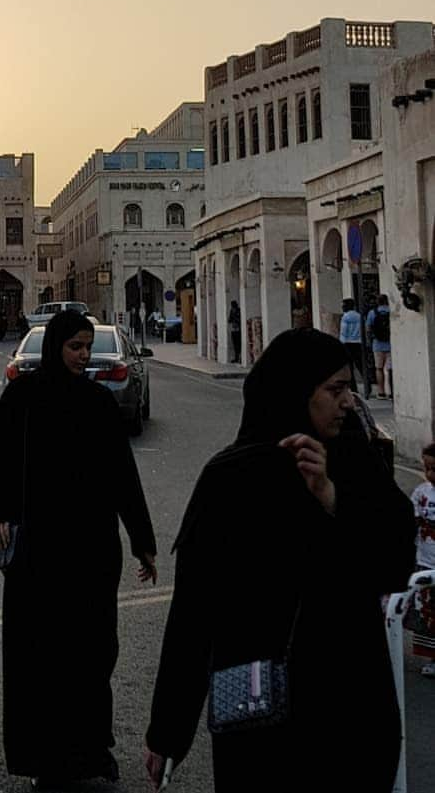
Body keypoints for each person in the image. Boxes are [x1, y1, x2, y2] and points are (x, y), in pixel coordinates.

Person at [144, 328, 415, 793]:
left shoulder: (353, 462)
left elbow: (396, 563)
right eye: (335, 389)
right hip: (262, 721)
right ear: (296, 390)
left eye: (349, 387)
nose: (348, 401)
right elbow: (194, 613)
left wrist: (333, 500)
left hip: (351, 716)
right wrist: (168, 732)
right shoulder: (231, 478)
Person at [0, 310, 158, 787]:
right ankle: (42, 758)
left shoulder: (97, 402)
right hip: (39, 553)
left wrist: (142, 540)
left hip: (92, 553)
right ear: (57, 345)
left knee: (93, 656)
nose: (81, 356)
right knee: (40, 658)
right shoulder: (24, 397)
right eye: (74, 347)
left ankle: (93, 751)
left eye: (86, 347)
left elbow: (122, 475)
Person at [410, 443, 435, 678]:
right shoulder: (421, 493)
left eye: (434, 469)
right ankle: (432, 657)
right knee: (429, 613)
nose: (429, 474)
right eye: (426, 468)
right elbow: (412, 524)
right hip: (426, 563)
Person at [366, 294, 392, 399]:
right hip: (391, 344)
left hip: (377, 344)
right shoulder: (391, 311)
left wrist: (369, 340)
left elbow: (368, 328)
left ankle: (381, 392)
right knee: (390, 369)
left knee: (379, 368)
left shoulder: (372, 313)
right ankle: (391, 392)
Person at [338, 297, 364, 393]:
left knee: (349, 367)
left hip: (347, 343)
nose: (342, 307)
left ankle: (354, 388)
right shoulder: (359, 316)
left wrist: (340, 343)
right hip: (358, 342)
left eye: (343, 305)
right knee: (360, 365)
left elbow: (343, 332)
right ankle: (367, 385)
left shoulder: (345, 317)